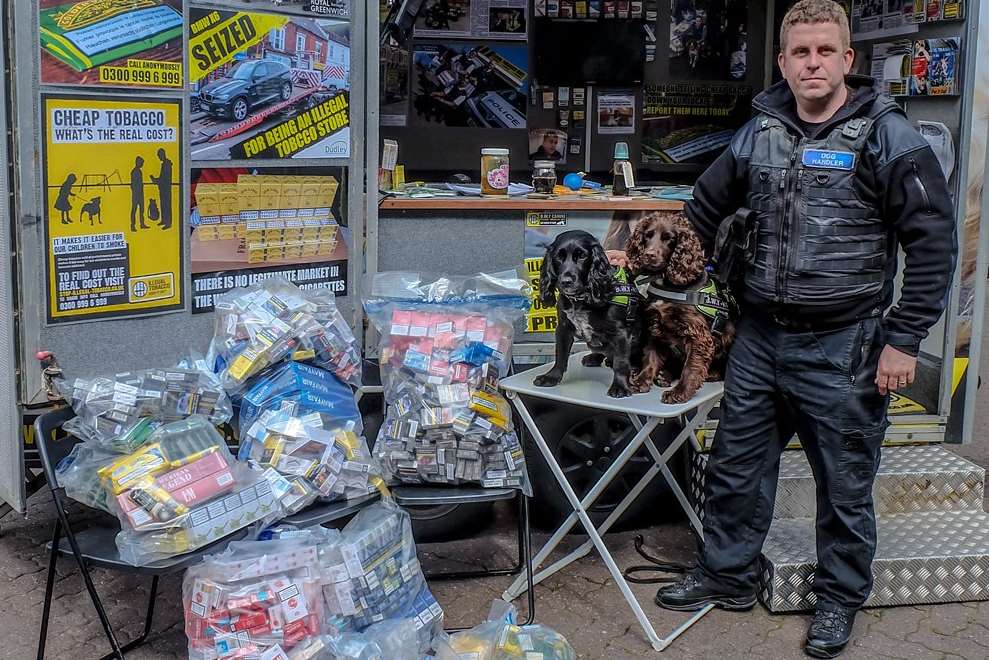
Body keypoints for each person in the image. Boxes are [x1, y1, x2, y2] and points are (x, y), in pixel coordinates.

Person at [648, 2, 955, 658]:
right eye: (799, 53)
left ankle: (839, 597)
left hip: (845, 342)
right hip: (759, 336)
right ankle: (726, 574)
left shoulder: (886, 135)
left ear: (847, 59)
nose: (811, 63)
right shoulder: (757, 133)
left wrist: (904, 338)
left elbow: (930, 241)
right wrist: (670, 275)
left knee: (844, 480)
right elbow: (703, 207)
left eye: (824, 51)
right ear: (782, 62)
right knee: (735, 464)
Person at [151, 148, 173, 229]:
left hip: (165, 187)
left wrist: (155, 180)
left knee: (166, 205)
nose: (159, 157)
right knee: (163, 205)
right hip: (163, 187)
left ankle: (168, 223)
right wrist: (156, 180)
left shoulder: (166, 164)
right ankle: (164, 220)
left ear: (162, 154)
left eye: (159, 155)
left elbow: (164, 177)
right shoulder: (165, 163)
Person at [129, 157, 147, 231]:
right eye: (141, 163)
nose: (142, 164)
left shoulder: (138, 171)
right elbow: (133, 184)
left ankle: (142, 224)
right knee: (134, 209)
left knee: (141, 210)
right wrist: (136, 191)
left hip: (140, 193)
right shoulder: (135, 171)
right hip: (136, 193)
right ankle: (133, 226)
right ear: (138, 162)